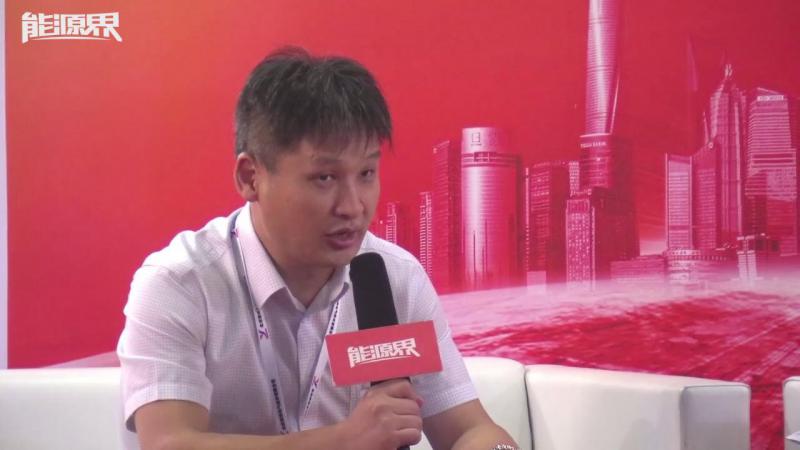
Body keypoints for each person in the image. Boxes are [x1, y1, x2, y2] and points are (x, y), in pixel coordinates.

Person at [117, 46, 518, 450]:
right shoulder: (180, 283)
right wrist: (342, 441)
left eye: (366, 173)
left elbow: (471, 430)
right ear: (251, 177)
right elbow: (170, 443)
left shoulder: (395, 278)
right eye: (325, 178)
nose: (353, 206)